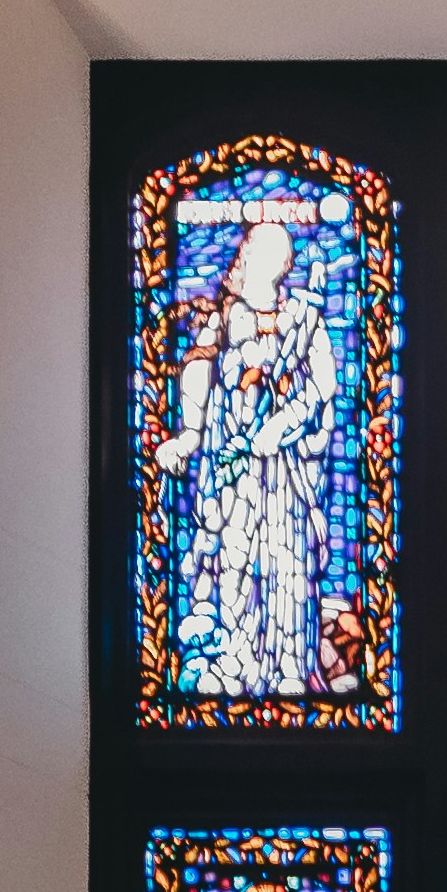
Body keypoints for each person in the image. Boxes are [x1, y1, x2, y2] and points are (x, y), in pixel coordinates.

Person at [153, 206, 341, 701]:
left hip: (284, 468)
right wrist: (189, 436)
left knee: (289, 568)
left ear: (277, 263)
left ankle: (288, 671)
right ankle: (238, 661)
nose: (242, 256)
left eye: (253, 249)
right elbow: (199, 369)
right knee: (236, 563)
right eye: (245, 248)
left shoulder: (305, 316)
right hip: (233, 464)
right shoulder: (226, 315)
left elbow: (325, 383)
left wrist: (284, 423)